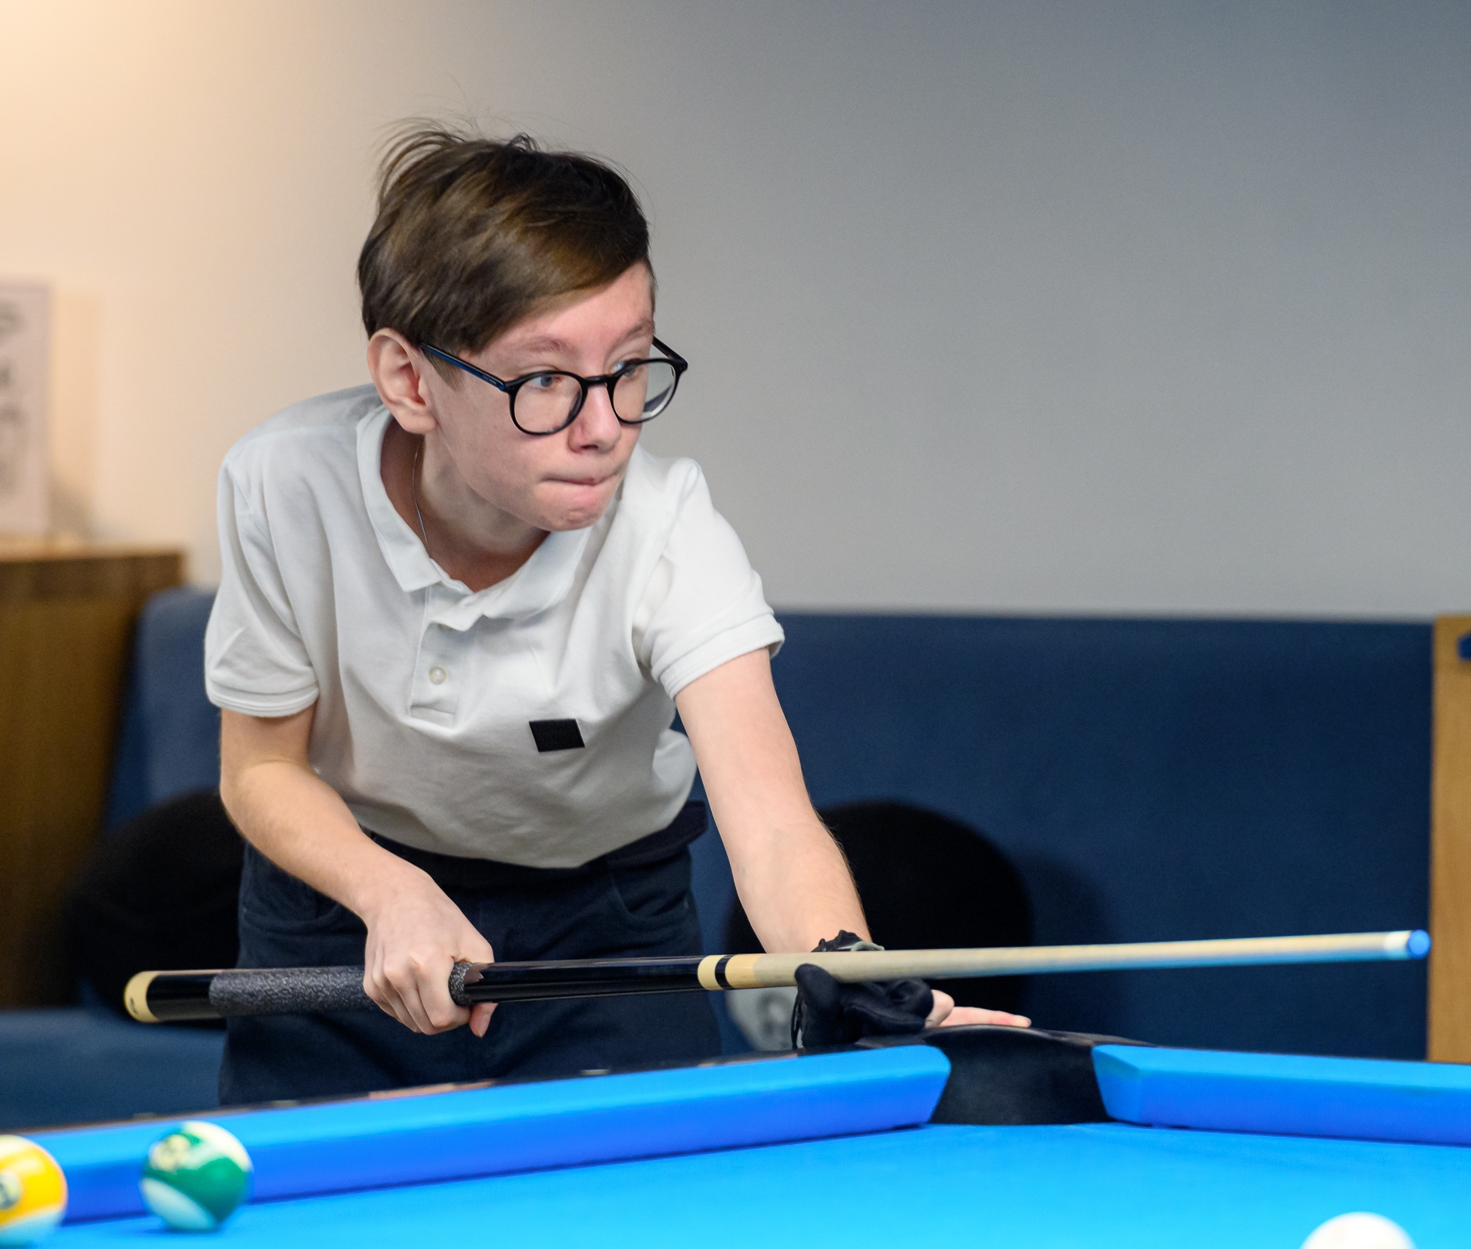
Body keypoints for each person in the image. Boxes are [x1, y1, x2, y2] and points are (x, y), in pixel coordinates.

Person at [205, 124, 1024, 1103]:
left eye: (629, 367)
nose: (602, 428)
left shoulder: (668, 528)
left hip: (604, 924)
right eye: (545, 380)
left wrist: (854, 979)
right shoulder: (282, 482)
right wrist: (388, 890)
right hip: (344, 902)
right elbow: (261, 767)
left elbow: (770, 822)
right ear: (411, 381)